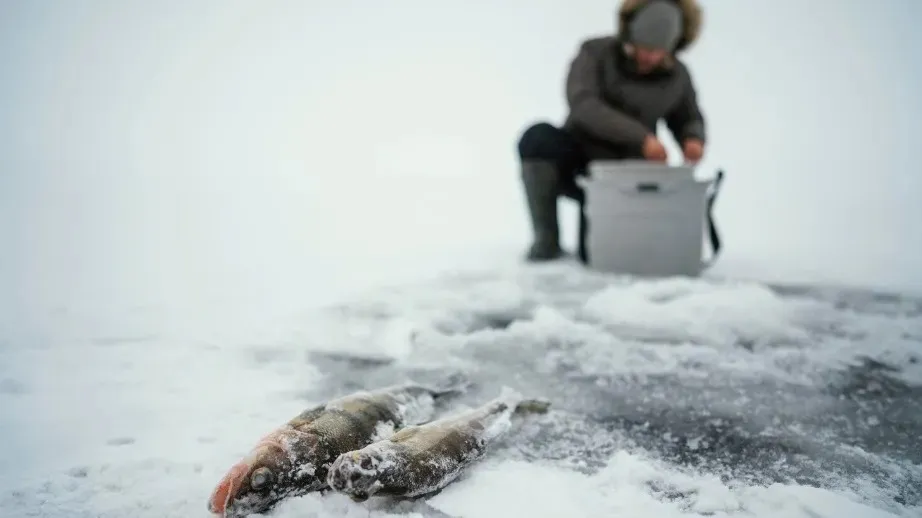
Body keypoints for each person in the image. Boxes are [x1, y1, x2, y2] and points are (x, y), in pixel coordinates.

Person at [516, 0, 706, 262]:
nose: (649, 56)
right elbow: (583, 104)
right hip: (580, 163)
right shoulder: (594, 53)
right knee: (537, 139)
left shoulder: (678, 76)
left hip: (627, 176)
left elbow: (688, 116)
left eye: (658, 51)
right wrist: (641, 138)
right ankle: (546, 241)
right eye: (644, 47)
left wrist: (693, 138)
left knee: (597, 256)